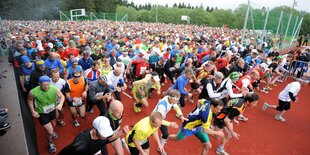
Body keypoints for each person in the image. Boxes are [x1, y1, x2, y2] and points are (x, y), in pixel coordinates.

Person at [27, 75, 65, 153]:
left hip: (52, 111)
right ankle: (50, 143)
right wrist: (32, 110)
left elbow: (62, 96)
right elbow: (30, 100)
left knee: (54, 124)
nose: (46, 87)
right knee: (50, 131)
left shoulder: (54, 89)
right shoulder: (33, 91)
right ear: (39, 84)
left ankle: (51, 132)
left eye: (48, 84)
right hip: (42, 113)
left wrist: (60, 104)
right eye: (44, 85)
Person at [58, 116, 129, 155]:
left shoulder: (102, 137)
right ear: (95, 131)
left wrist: (122, 132)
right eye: (104, 133)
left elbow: (109, 139)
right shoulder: (81, 144)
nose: (106, 136)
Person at [152, 89, 186, 155]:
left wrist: (181, 116)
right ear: (172, 99)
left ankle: (160, 147)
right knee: (148, 134)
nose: (177, 101)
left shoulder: (170, 100)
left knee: (165, 134)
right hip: (154, 121)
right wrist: (170, 124)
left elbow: (176, 108)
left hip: (161, 118)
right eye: (177, 100)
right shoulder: (162, 106)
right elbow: (158, 120)